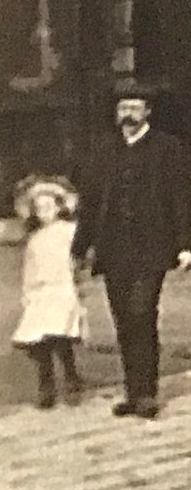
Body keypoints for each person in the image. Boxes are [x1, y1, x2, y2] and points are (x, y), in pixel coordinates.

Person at [71, 79, 191, 419]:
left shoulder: (167, 149)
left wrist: (185, 246)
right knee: (124, 320)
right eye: (123, 108)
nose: (128, 114)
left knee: (142, 314)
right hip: (114, 250)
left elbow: (180, 200)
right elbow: (91, 204)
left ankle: (148, 393)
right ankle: (132, 390)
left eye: (134, 108)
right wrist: (79, 249)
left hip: (152, 248)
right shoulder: (103, 149)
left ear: (148, 112)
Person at [12, 175, 86, 408]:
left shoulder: (68, 232)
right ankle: (46, 386)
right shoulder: (35, 238)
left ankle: (71, 378)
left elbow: (79, 255)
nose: (44, 211)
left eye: (48, 206)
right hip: (41, 293)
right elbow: (30, 269)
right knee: (38, 341)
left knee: (59, 337)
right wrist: (28, 293)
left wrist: (78, 277)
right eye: (39, 208)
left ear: (59, 207)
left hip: (62, 289)